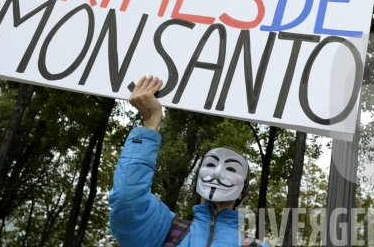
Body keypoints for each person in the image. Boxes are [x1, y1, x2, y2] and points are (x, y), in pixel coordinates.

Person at [109, 75, 268, 247]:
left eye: (231, 169)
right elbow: (127, 200)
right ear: (199, 176)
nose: (217, 172)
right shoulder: (163, 230)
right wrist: (150, 122)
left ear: (241, 194)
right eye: (210, 164)